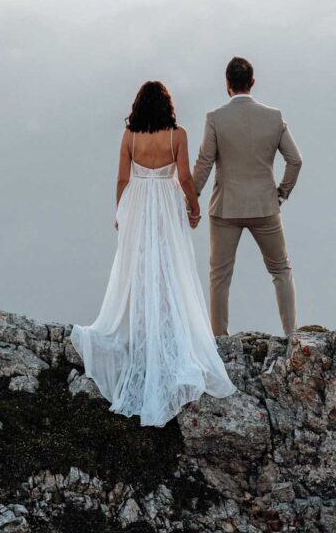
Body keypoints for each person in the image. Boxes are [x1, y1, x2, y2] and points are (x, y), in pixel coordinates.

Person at [70, 80, 236, 427]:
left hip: (139, 202)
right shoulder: (178, 135)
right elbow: (186, 177)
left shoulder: (130, 137)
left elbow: (121, 179)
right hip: (166, 202)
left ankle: (142, 331)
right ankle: (168, 333)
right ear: (167, 107)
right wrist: (193, 207)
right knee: (169, 267)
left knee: (139, 267)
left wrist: (121, 214)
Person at [193, 56, 303, 338]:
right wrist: (281, 193)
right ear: (252, 82)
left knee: (220, 277)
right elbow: (295, 161)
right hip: (265, 206)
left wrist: (191, 199)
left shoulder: (215, 118)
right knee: (280, 270)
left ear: (227, 84)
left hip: (225, 209)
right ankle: (291, 335)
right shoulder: (274, 117)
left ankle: (220, 340)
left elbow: (205, 163)